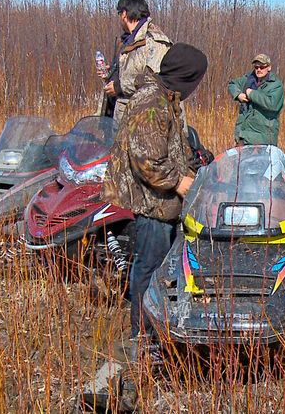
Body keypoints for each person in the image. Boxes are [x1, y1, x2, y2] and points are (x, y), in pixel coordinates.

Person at [101, 43, 208, 356]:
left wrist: (200, 164)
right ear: (185, 77)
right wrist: (180, 181)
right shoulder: (151, 103)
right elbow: (148, 160)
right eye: (195, 80)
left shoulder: (165, 99)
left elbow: (172, 148)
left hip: (164, 201)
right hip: (152, 203)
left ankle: (163, 328)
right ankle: (144, 336)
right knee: (150, 269)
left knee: (167, 267)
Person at [99, 0, 172, 122]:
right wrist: (111, 74)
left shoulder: (154, 41)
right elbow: (133, 71)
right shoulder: (127, 40)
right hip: (119, 119)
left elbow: (157, 82)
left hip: (142, 122)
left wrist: (120, 87)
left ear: (124, 14)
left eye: (119, 14)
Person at [228, 53, 284, 145]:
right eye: (256, 67)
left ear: (269, 67)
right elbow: (232, 84)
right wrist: (238, 95)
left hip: (263, 138)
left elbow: (272, 104)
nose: (258, 70)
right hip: (243, 135)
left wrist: (251, 94)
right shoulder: (248, 79)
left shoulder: (276, 85)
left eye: (262, 67)